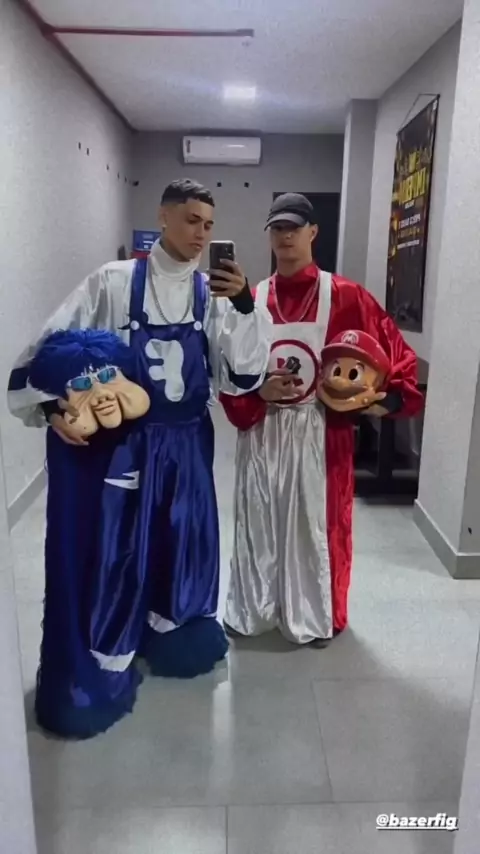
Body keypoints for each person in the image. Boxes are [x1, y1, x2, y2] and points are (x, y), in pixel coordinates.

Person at [7, 178, 273, 739]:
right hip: (125, 443)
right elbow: (48, 352)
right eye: (192, 220)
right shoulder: (112, 281)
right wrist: (53, 407)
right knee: (119, 546)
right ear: (164, 216)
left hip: (188, 441)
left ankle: (175, 629)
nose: (202, 234)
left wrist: (246, 307)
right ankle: (109, 652)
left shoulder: (211, 294)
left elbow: (241, 376)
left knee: (185, 538)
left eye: (210, 225)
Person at [220, 193, 423, 647]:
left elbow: (396, 356)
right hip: (265, 430)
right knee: (259, 522)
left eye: (294, 228)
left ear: (313, 232)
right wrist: (256, 392)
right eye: (277, 229)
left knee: (316, 526)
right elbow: (228, 369)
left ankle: (314, 612)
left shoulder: (348, 296)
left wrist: (385, 400)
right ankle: (256, 607)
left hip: (321, 433)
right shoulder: (252, 299)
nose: (285, 236)